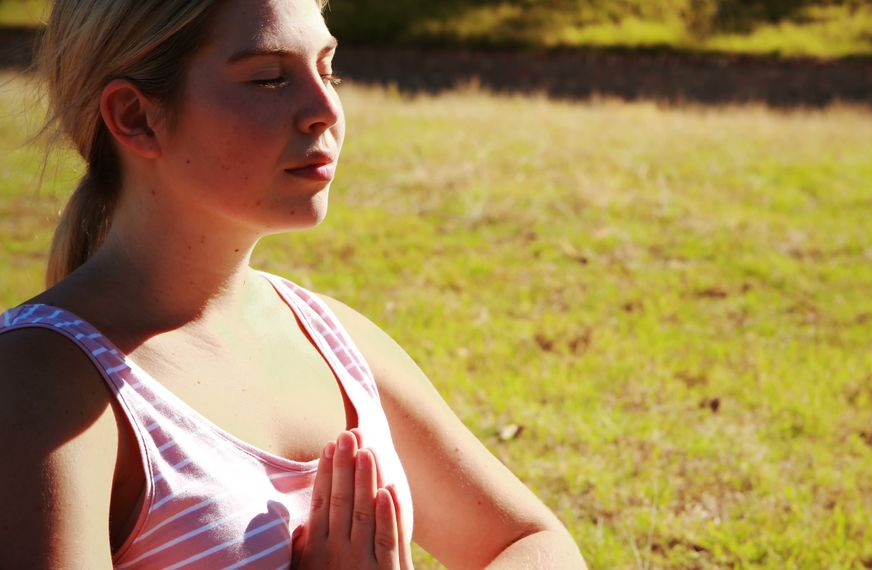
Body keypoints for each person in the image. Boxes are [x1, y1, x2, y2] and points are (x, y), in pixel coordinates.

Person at [0, 0, 587, 568]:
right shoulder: (38, 388)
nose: (324, 108)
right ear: (135, 116)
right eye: (269, 79)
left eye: (327, 68)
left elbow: (536, 542)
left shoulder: (329, 338)